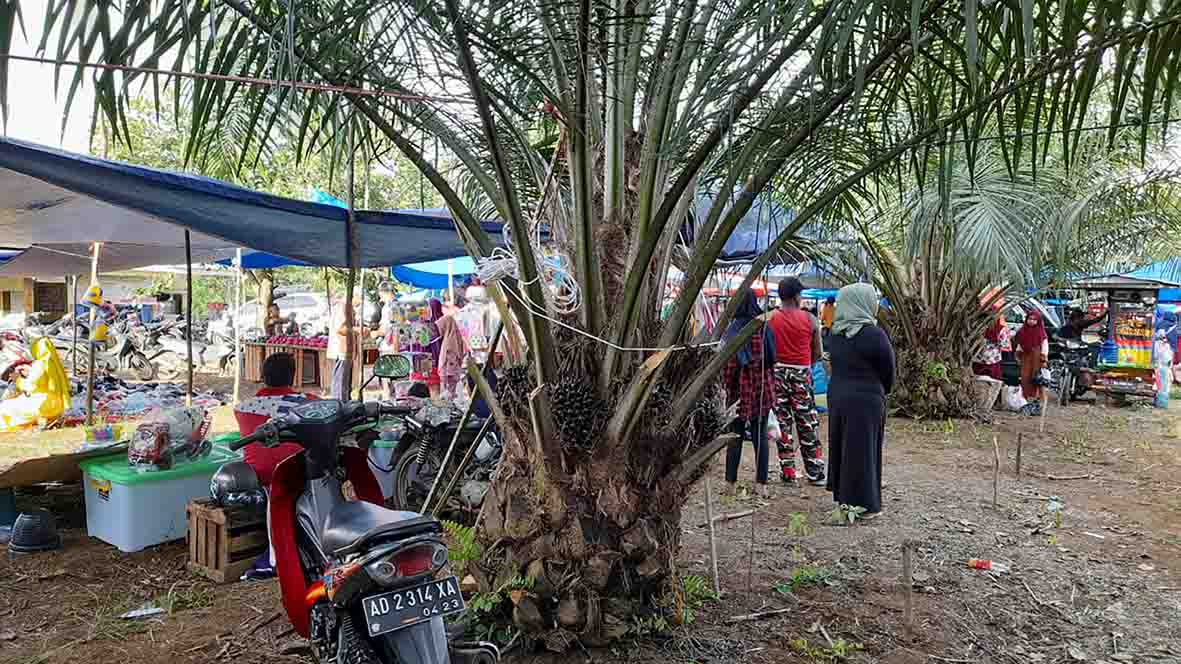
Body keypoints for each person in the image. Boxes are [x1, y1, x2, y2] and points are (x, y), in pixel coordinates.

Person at [826, 283, 894, 519]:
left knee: (843, 448)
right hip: (866, 400)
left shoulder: (834, 334)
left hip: (838, 397)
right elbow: (888, 371)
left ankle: (844, 500)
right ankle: (866, 505)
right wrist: (881, 391)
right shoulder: (874, 335)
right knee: (864, 451)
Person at [766, 277, 825, 485]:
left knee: (782, 423)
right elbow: (818, 352)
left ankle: (788, 472)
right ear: (797, 296)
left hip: (777, 374)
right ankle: (815, 472)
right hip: (801, 374)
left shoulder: (769, 318)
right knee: (807, 422)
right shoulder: (810, 320)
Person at [721, 291, 777, 497]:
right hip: (761, 386)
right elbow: (772, 358)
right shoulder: (763, 327)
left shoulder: (732, 330)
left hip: (738, 390)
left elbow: (727, 367)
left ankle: (730, 484)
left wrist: (727, 390)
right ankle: (761, 485)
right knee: (760, 435)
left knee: (734, 435)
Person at [234, 353, 320, 484]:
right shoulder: (310, 403)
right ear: (292, 377)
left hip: (257, 477)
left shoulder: (241, 408)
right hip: (298, 476)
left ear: (263, 377)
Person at [0, 338, 69, 430]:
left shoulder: (40, 365)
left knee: (6, 406)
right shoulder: (56, 364)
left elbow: (31, 387)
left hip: (43, 404)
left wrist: (17, 379)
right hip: (58, 405)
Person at [972, 315, 1012, 414]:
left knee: (977, 382)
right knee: (993, 383)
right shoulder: (1000, 329)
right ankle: (989, 404)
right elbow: (1004, 344)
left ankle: (976, 403)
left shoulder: (976, 326)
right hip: (992, 359)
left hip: (977, 359)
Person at [1014, 310, 1049, 415]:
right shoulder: (1022, 331)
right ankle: (1024, 403)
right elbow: (1020, 344)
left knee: (1038, 381)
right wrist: (1018, 354)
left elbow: (1044, 345)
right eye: (1030, 319)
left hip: (1037, 359)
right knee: (1025, 379)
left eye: (1034, 319)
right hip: (1026, 359)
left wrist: (1043, 359)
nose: (1032, 321)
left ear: (1038, 321)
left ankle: (1038, 404)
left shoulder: (1041, 332)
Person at [327, 296, 360, 399]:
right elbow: (340, 329)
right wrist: (356, 330)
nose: (361, 301)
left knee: (345, 383)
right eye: (360, 298)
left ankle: (343, 402)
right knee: (340, 383)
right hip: (342, 350)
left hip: (346, 350)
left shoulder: (347, 307)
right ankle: (339, 404)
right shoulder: (343, 307)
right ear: (354, 296)